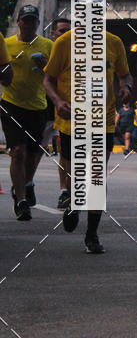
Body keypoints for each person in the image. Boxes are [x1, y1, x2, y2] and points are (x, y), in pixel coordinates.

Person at [43, 28, 133, 253]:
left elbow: (125, 74)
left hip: (103, 120)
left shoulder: (114, 42)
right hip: (72, 121)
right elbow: (48, 79)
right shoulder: (64, 42)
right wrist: (57, 101)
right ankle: (74, 200)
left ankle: (92, 235)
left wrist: (125, 86)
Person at [0, 5, 53, 221]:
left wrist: (45, 66)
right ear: (18, 22)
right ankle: (21, 200)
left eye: (33, 21)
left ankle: (27, 182)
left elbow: (56, 74)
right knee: (18, 151)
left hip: (37, 106)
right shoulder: (7, 44)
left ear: (38, 24)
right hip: (11, 104)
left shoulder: (47, 45)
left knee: (32, 154)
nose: (29, 24)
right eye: (25, 20)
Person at [46, 17, 71, 208]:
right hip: (49, 103)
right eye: (61, 31)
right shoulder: (49, 49)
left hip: (70, 108)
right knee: (64, 153)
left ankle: (71, 189)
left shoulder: (74, 49)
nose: (66, 34)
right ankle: (65, 189)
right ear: (53, 33)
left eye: (68, 30)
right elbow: (48, 78)